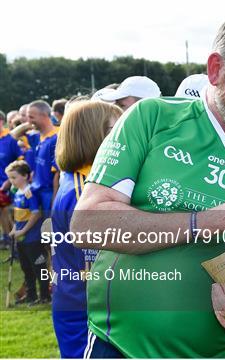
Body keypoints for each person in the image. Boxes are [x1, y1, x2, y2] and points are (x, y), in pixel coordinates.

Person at [71, 15, 225, 358]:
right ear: (215, 69)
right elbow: (88, 225)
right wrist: (201, 222)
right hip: (119, 347)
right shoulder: (152, 118)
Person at [50, 101, 123, 358]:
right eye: (115, 129)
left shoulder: (81, 179)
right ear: (93, 135)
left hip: (77, 301)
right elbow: (94, 268)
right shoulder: (84, 190)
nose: (123, 135)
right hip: (86, 310)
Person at [5, 160, 50, 304]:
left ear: (25, 176)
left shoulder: (30, 193)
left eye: (14, 177)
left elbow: (36, 214)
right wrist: (14, 230)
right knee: (26, 269)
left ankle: (45, 296)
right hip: (21, 239)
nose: (11, 181)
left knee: (39, 268)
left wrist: (23, 230)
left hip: (33, 238)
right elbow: (19, 217)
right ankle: (31, 295)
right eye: (10, 178)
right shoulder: (16, 193)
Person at [27, 100, 59, 215]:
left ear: (44, 115)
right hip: (36, 189)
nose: (28, 121)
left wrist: (55, 200)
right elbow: (14, 135)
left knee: (49, 228)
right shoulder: (36, 136)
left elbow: (57, 173)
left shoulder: (56, 138)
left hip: (49, 192)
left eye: (31, 117)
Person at [1, 112, 22, 249]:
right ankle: (8, 242)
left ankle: (16, 245)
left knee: (11, 216)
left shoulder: (11, 139)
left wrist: (10, 180)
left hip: (9, 186)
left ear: (1, 121)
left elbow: (21, 162)